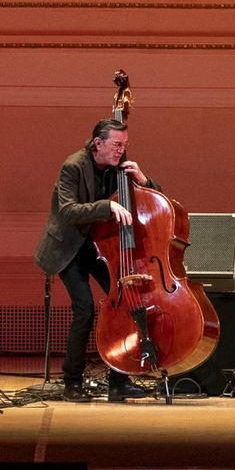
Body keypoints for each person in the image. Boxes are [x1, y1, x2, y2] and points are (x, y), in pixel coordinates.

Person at [35, 118, 156, 403]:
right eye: (116, 144)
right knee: (85, 310)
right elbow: (67, 210)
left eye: (124, 145)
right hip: (69, 249)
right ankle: (72, 382)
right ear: (98, 143)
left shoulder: (119, 166)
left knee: (127, 302)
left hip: (100, 248)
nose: (120, 151)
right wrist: (107, 206)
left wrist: (143, 179)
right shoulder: (73, 166)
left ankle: (119, 381)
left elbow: (152, 199)